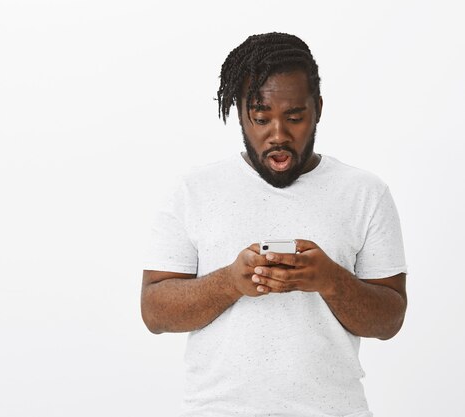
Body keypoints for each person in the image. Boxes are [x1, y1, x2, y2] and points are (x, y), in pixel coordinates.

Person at [140, 32, 407, 417]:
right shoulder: (193, 190)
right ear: (239, 112)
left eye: (294, 117)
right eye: (261, 118)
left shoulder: (365, 192)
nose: (278, 135)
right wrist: (230, 282)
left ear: (318, 108)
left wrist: (330, 279)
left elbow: (389, 319)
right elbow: (154, 312)